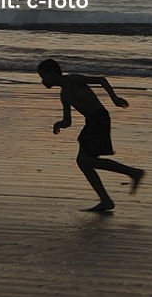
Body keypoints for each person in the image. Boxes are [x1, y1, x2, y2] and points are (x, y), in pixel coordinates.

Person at [38, 58, 145, 213]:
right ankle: (107, 198)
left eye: (43, 76)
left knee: (85, 161)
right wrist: (59, 124)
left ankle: (131, 174)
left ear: (52, 73)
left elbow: (101, 80)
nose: (42, 81)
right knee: (84, 162)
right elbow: (68, 121)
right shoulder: (64, 95)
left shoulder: (73, 79)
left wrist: (114, 99)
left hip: (99, 118)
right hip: (92, 121)